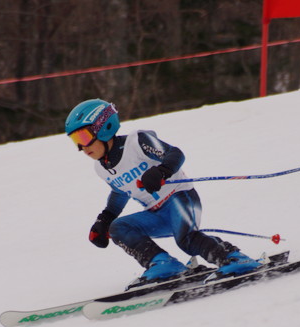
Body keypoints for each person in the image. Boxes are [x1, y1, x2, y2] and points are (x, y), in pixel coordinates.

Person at [65, 98, 260, 283]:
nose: (82, 147)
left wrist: (161, 171)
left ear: (104, 128)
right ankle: (163, 264)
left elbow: (175, 154)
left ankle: (234, 259)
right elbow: (120, 192)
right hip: (155, 213)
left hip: (180, 198)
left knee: (187, 240)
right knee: (118, 228)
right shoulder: (101, 168)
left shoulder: (137, 142)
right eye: (76, 141)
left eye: (83, 136)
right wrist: (105, 219)